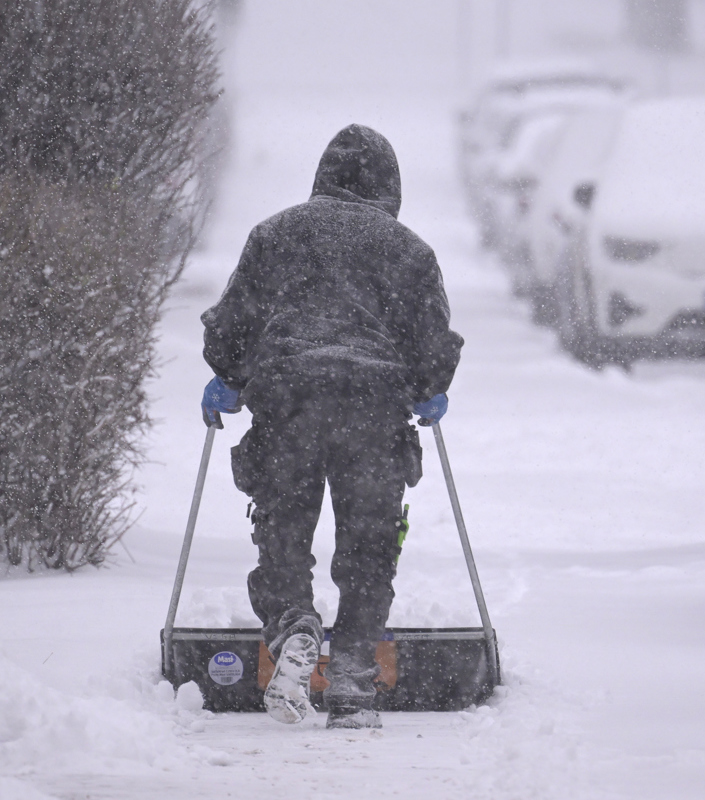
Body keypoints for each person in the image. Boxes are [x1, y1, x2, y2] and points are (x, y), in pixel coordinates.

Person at [200, 124, 463, 729]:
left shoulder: (274, 234)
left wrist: (228, 376)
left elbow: (233, 325)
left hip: (288, 404)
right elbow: (431, 346)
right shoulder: (410, 251)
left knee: (283, 533)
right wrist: (429, 388)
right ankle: (350, 680)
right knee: (370, 547)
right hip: (372, 412)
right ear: (390, 188)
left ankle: (293, 624)